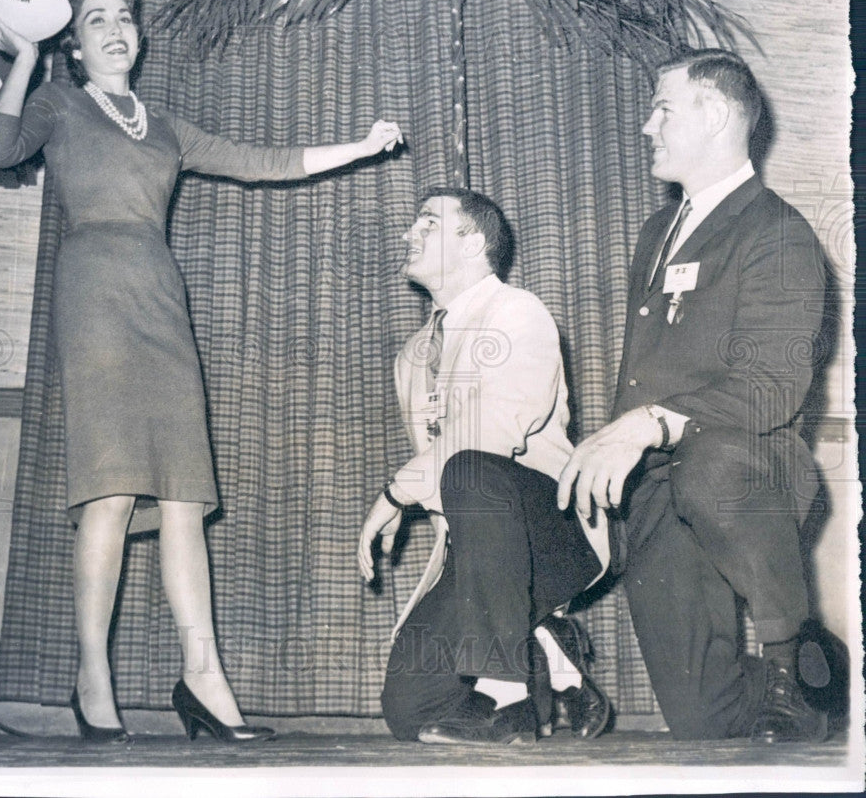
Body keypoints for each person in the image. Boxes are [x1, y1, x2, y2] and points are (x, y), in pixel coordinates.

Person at [0, 0, 403, 744]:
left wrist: (364, 146)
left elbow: (262, 160)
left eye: (125, 19)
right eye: (97, 20)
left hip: (162, 303)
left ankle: (205, 675)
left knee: (182, 495)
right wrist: (21, 57)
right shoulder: (57, 103)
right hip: (94, 296)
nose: (114, 29)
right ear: (73, 46)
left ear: (138, 40)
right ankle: (92, 675)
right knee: (108, 491)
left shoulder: (165, 124)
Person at [557, 49, 840, 742]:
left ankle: (793, 663)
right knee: (700, 714)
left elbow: (770, 388)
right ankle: (825, 688)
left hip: (748, 468)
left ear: (713, 114)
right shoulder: (660, 231)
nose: (647, 124)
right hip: (660, 478)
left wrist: (649, 423)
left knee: (712, 468)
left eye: (663, 108)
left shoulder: (775, 231)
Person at [357, 188, 613, 745]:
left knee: (473, 465)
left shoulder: (517, 312)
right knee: (411, 709)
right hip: (481, 548)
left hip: (553, 532)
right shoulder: (413, 357)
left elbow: (486, 441)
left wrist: (397, 493)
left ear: (473, 242)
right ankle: (547, 645)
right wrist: (419, 494)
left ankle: (509, 697)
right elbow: (441, 471)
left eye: (428, 221)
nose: (409, 233)